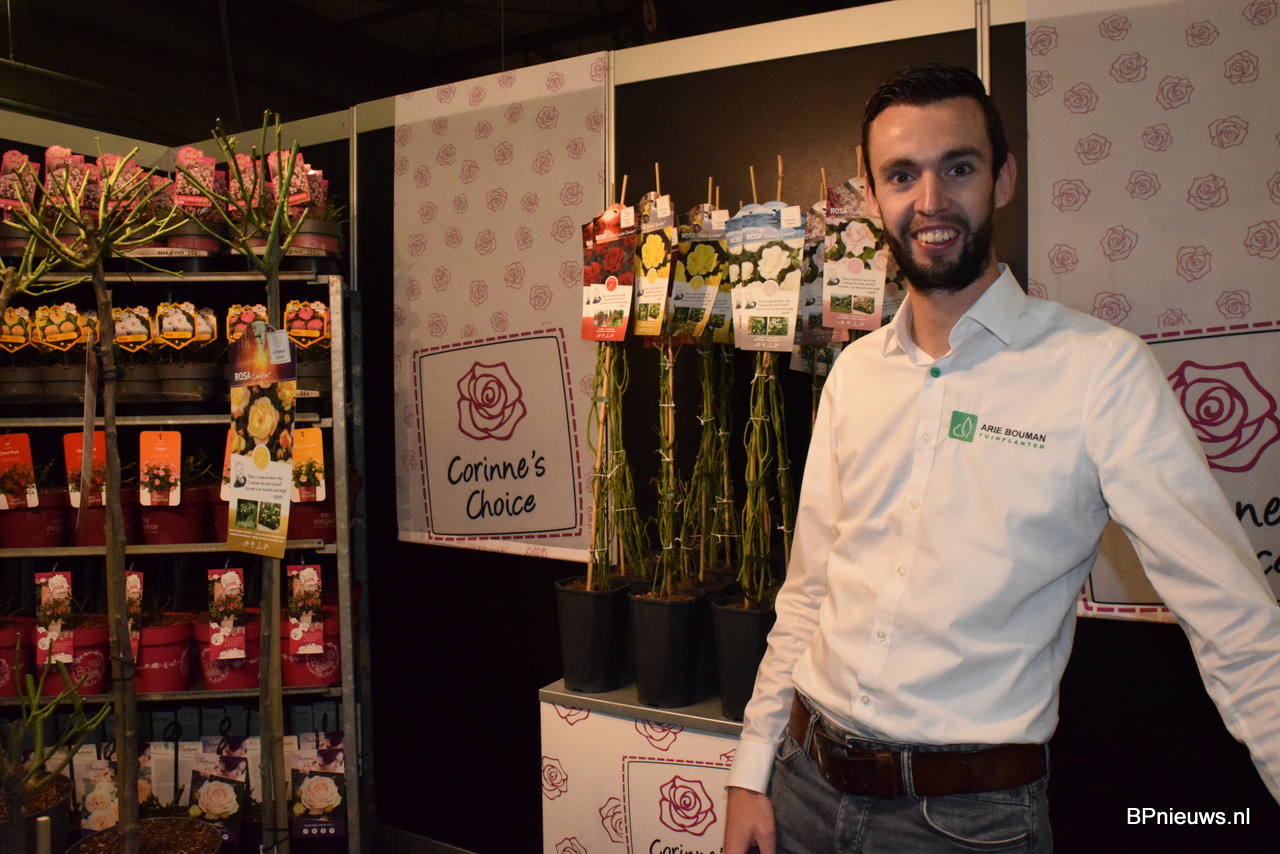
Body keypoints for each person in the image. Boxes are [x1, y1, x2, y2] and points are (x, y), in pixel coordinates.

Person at [723, 63, 1280, 854]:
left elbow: (1233, 617)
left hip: (965, 824)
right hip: (802, 786)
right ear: (874, 197)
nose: (930, 201)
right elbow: (809, 591)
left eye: (958, 167)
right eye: (901, 175)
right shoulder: (854, 374)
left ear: (1004, 178)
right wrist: (751, 769)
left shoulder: (1099, 371)